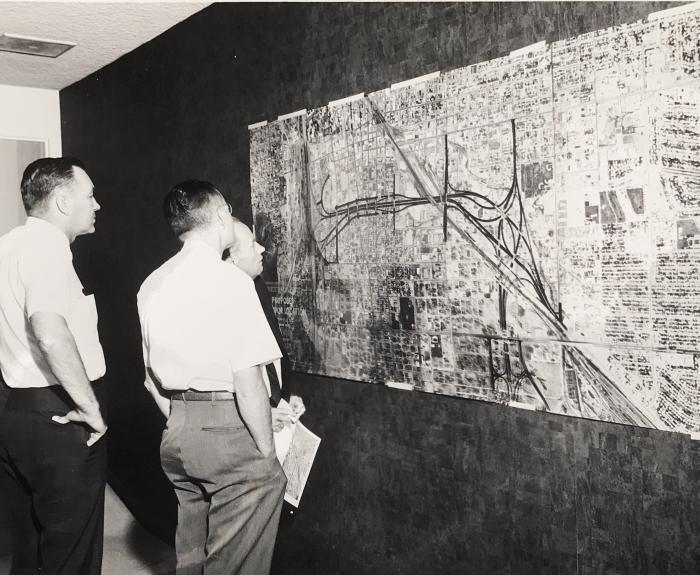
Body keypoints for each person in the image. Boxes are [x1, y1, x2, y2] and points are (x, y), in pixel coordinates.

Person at [137, 180, 286, 575]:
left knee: (193, 552)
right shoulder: (231, 281)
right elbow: (248, 382)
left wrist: (184, 423)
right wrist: (266, 453)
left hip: (178, 431)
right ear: (221, 215)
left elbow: (150, 379)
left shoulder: (151, 284)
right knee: (237, 556)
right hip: (228, 430)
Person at [0, 157, 108, 575]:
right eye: (90, 195)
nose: (96, 205)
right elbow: (49, 332)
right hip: (59, 416)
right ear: (63, 201)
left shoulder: (8, 246)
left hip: (14, 412)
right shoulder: (48, 248)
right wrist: (90, 408)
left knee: (29, 546)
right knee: (72, 555)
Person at [225, 220, 305, 433]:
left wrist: (284, 398)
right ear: (232, 258)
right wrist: (261, 413)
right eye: (252, 244)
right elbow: (222, 382)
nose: (261, 248)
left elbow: (270, 354)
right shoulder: (220, 303)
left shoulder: (258, 287)